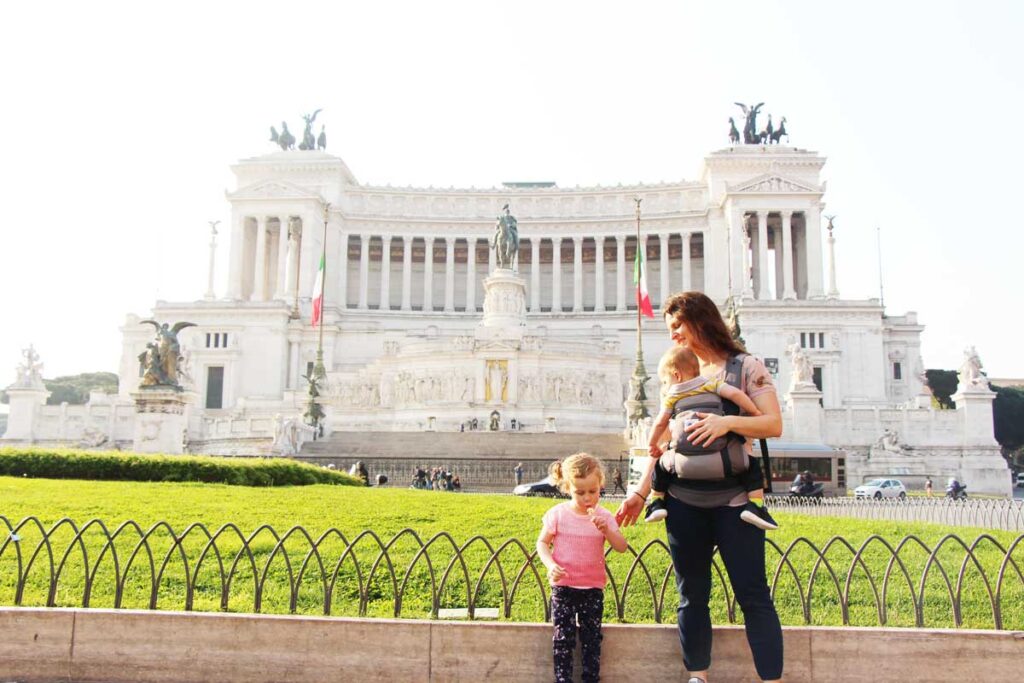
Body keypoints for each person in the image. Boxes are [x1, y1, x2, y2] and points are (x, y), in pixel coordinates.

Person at [616, 291, 785, 683]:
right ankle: (698, 676)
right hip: (683, 501)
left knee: (752, 594)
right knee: (691, 595)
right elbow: (661, 445)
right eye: (669, 328)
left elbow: (772, 425)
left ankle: (771, 679)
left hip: (735, 501)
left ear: (700, 321)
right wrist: (641, 493)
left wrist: (727, 423)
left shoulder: (745, 367)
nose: (673, 334)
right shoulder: (679, 375)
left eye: (678, 325)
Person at [644, 345, 777, 531]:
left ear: (676, 375)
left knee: (660, 468)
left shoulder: (672, 396)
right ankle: (755, 506)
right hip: (724, 457)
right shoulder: (710, 383)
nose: (665, 386)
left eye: (665, 381)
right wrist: (754, 411)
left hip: (683, 460)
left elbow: (660, 423)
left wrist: (652, 444)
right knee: (752, 466)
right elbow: (735, 394)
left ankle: (656, 501)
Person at [536, 453, 628, 683]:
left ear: (601, 486)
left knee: (591, 638)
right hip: (563, 587)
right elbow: (542, 543)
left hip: (592, 588)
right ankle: (562, 679)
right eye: (580, 492)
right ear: (567, 488)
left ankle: (590, 678)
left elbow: (621, 546)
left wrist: (607, 529)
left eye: (593, 492)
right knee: (563, 638)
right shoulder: (557, 514)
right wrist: (551, 564)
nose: (588, 498)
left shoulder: (604, 516)